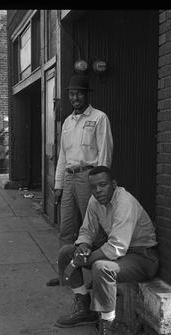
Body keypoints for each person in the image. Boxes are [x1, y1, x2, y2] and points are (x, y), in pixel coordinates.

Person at [55, 166, 159, 335]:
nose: (98, 191)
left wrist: (78, 262)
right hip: (121, 253)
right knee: (66, 253)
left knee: (102, 267)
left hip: (142, 256)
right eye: (93, 187)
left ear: (113, 184)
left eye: (102, 185)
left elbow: (116, 247)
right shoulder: (95, 201)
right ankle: (85, 309)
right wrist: (83, 246)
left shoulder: (124, 202)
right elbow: (87, 230)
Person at [46, 75, 113, 286]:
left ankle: (98, 275)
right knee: (66, 228)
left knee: (94, 227)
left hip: (89, 176)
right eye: (72, 94)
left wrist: (101, 184)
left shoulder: (99, 118)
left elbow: (105, 152)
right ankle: (66, 274)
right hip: (68, 178)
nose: (75, 97)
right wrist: (58, 185)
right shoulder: (67, 122)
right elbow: (63, 156)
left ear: (86, 95)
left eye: (79, 93)